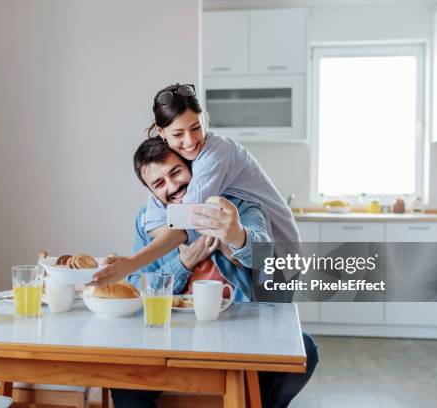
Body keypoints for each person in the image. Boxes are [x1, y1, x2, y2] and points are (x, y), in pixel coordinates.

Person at [110, 138, 318, 408]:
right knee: (123, 383)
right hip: (174, 334)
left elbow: (268, 261)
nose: (172, 187)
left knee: (306, 350)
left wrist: (236, 237)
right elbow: (137, 285)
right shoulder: (148, 222)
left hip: (239, 333)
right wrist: (182, 265)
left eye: (176, 172)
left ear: (194, 170)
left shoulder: (238, 206)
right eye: (159, 183)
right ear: (151, 192)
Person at [93, 83, 300, 286]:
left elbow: (187, 222)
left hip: (281, 257)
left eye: (195, 128)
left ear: (204, 120)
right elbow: (157, 222)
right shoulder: (173, 167)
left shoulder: (216, 154)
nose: (190, 141)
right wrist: (185, 254)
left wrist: (131, 263)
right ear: (162, 133)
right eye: (178, 134)